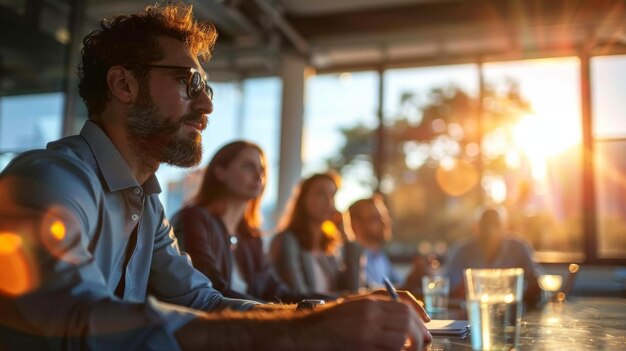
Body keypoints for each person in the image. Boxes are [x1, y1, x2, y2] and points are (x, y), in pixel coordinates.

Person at [0, 3, 433, 350]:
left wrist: (322, 316)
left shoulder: (146, 204)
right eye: (188, 82)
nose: (206, 107)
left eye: (205, 88)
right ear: (123, 85)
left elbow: (203, 301)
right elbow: (74, 318)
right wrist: (305, 333)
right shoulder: (47, 180)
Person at [171, 140, 326, 303]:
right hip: (207, 325)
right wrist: (268, 311)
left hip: (247, 323)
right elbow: (210, 288)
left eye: (262, 170)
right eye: (247, 166)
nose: (259, 175)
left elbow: (279, 292)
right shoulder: (194, 219)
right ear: (220, 172)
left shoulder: (250, 238)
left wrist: (339, 301)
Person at [271, 172, 358, 295]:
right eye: (321, 194)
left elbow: (352, 290)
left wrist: (347, 237)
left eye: (332, 195)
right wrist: (339, 302)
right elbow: (298, 295)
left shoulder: (329, 248)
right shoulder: (287, 240)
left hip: (332, 312)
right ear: (303, 199)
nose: (329, 202)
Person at [443, 206, 541, 306]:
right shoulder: (461, 251)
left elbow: (535, 287)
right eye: (485, 224)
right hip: (469, 315)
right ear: (475, 227)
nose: (490, 230)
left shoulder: (519, 249)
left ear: (505, 227)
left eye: (495, 224)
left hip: (510, 313)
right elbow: (448, 289)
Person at [344, 195, 401, 289]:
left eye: (384, 216)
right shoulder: (349, 259)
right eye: (375, 218)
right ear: (356, 225)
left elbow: (398, 285)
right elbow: (364, 293)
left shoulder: (380, 256)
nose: (385, 222)